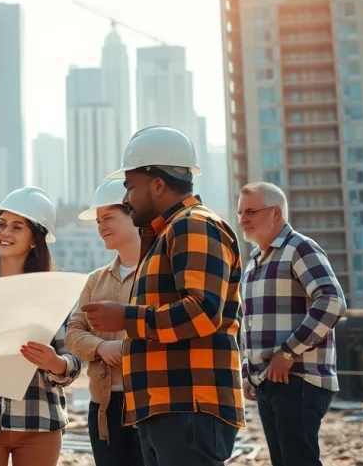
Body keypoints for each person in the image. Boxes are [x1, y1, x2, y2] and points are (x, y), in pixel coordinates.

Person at [82, 126, 244, 466]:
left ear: (158, 184)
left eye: (130, 187)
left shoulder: (194, 225)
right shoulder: (161, 237)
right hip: (163, 408)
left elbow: (202, 311)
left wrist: (126, 317)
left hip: (188, 407)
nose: (126, 198)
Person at [0, 186, 82, 466]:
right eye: (1, 224)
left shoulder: (55, 292)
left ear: (34, 241)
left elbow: (74, 358)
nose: (5, 233)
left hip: (40, 421)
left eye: (17, 227)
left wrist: (56, 363)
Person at [237, 182, 346, 466]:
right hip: (267, 383)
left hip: (299, 379)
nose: (242, 219)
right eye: (240, 213)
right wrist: (248, 372)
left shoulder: (299, 248)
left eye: (250, 211)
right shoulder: (253, 264)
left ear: (275, 213)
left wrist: (288, 352)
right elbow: (250, 323)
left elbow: (332, 302)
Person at [66, 176, 145, 466]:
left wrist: (126, 349)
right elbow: (74, 332)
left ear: (132, 214)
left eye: (108, 217)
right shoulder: (95, 280)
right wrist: (100, 348)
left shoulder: (158, 274)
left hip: (149, 403)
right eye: (98, 220)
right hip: (103, 406)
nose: (101, 226)